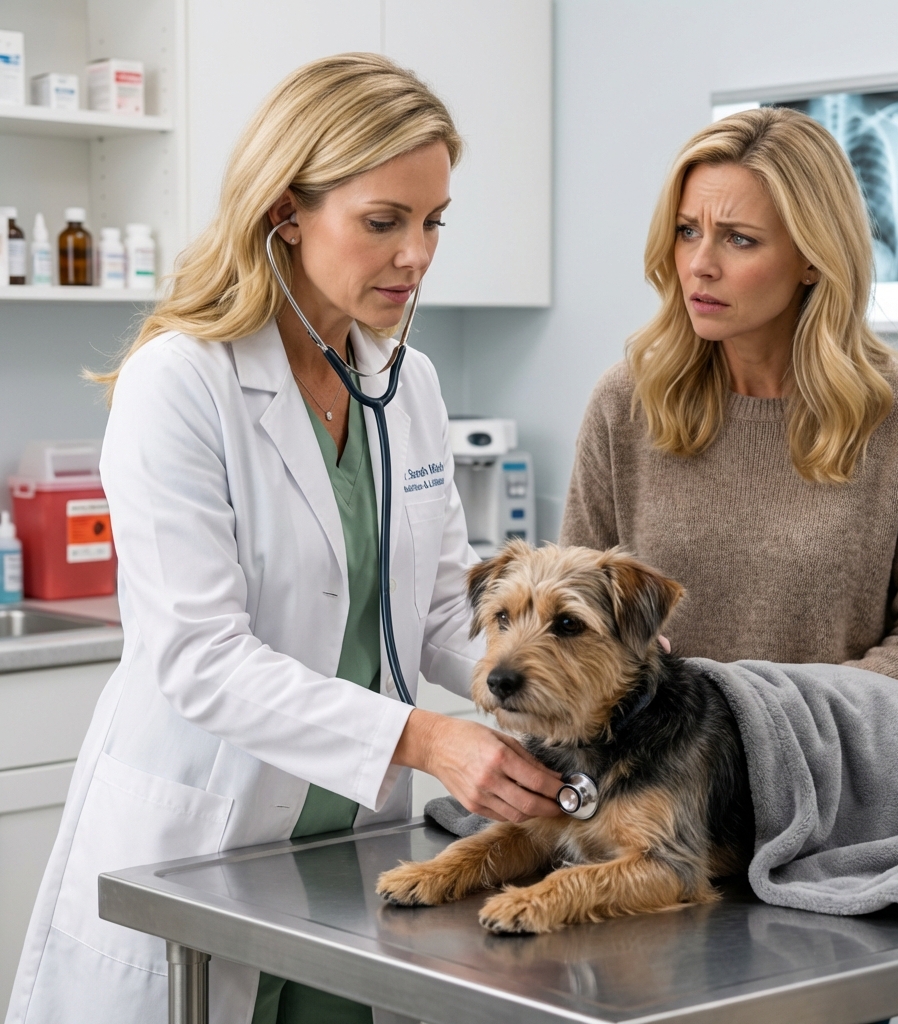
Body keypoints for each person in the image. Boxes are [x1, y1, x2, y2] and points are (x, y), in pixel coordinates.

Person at [6, 54, 561, 1024]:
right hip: (200, 838)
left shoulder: (407, 386)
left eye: (432, 222)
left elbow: (438, 607)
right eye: (382, 221)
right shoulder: (179, 380)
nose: (417, 255)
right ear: (285, 213)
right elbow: (198, 655)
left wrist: (572, 675)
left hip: (345, 854)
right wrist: (429, 738)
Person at [561, 106, 898, 701]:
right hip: (660, 774)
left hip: (839, 773)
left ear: (812, 258)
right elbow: (572, 611)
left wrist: (770, 722)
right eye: (687, 231)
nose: (701, 264)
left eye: (739, 239)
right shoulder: (626, 401)